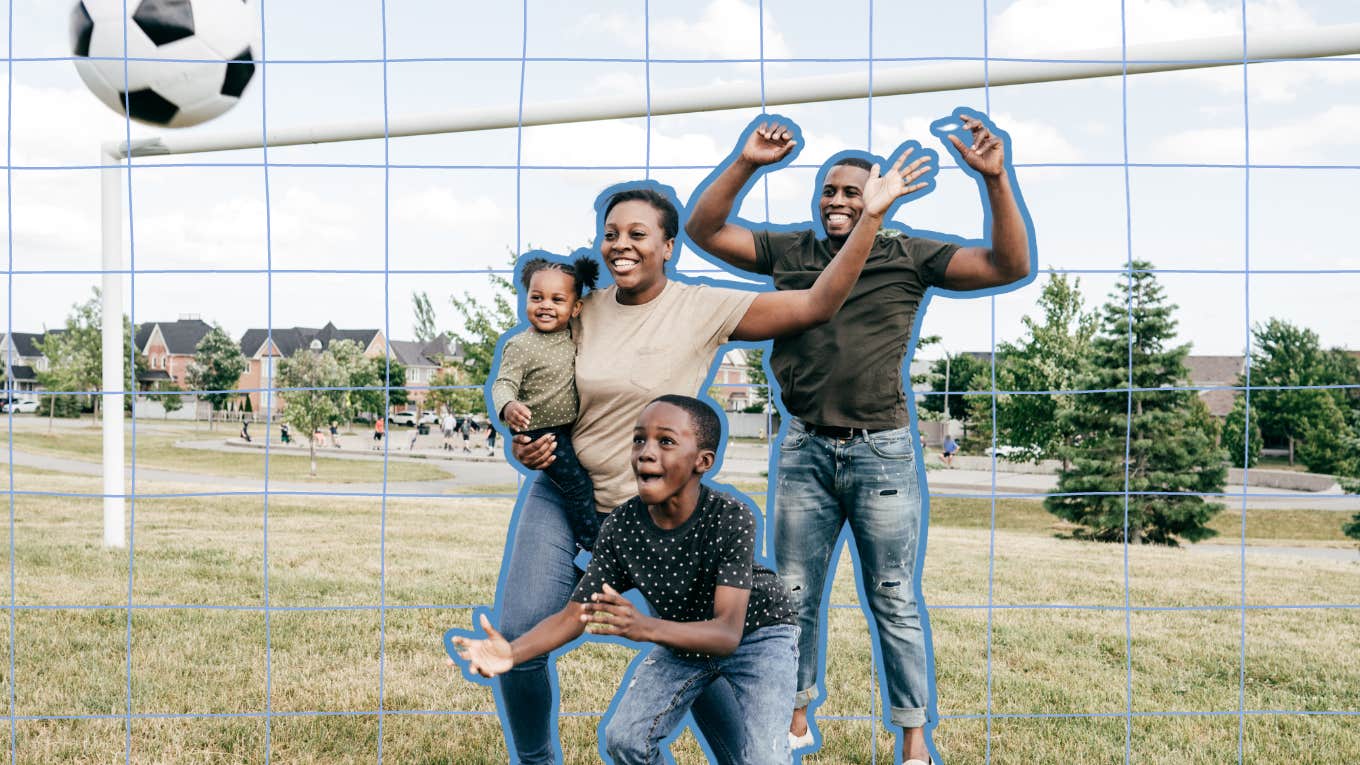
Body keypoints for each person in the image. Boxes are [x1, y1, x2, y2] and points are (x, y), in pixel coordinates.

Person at [489, 172, 927, 764]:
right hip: (563, 492)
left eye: (638, 233)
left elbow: (816, 304)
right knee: (521, 631)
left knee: (694, 648)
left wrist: (869, 218)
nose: (621, 243)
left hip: (648, 511)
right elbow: (540, 387)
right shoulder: (581, 309)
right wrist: (524, 438)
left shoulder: (700, 307)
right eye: (611, 232)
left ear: (668, 245)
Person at [686, 112, 1034, 764]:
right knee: (791, 593)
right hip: (804, 450)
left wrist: (996, 179)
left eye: (852, 190)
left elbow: (1009, 263)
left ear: (877, 193)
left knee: (895, 597)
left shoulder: (907, 254)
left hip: (883, 452)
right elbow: (703, 230)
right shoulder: (793, 252)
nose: (839, 200)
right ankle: (792, 719)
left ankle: (912, 738)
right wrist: (747, 161)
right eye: (829, 190)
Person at [450, 396, 798, 764]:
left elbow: (727, 634)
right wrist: (513, 652)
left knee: (762, 757)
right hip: (684, 640)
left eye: (665, 441)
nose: (646, 452)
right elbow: (574, 616)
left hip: (759, 636)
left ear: (703, 461)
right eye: (638, 440)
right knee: (625, 740)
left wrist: (645, 627)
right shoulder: (622, 527)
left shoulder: (730, 517)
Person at [491, 255, 602, 551]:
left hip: (567, 427)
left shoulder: (571, 337)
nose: (546, 306)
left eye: (557, 300)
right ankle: (592, 544)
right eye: (537, 297)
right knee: (577, 485)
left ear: (575, 307)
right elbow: (503, 383)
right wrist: (509, 406)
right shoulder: (521, 345)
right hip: (541, 431)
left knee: (580, 478)